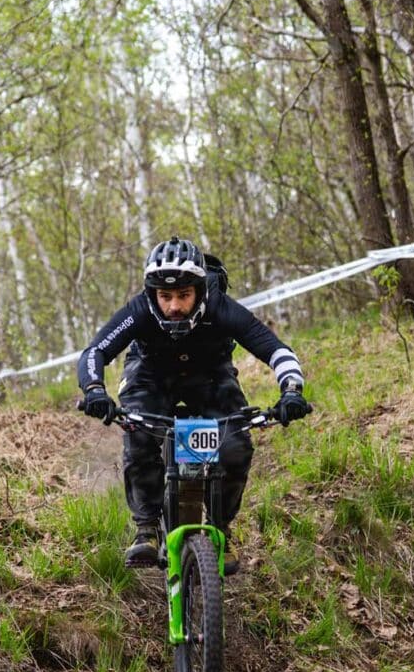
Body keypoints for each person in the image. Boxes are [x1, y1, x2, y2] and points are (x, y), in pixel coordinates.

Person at [75, 236, 313, 570]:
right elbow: (95, 352)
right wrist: (94, 390)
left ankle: (220, 529)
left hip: (210, 376)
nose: (174, 306)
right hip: (151, 375)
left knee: (235, 445)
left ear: (199, 291)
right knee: (138, 434)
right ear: (153, 294)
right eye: (165, 296)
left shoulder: (220, 307)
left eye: (183, 295)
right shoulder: (139, 310)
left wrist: (292, 391)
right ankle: (146, 529)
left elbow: (275, 349)